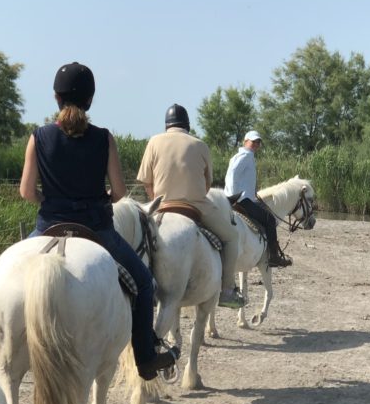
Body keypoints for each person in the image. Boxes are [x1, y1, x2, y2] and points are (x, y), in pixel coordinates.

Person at [19, 61, 178, 380]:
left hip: (47, 226)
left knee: (4, 270)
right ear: (91, 100)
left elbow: (26, 191)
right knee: (144, 283)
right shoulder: (104, 139)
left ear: (56, 97)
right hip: (97, 230)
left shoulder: (38, 138)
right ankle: (145, 358)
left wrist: (48, 199)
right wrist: (102, 196)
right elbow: (119, 193)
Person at [136, 104, 244, 308]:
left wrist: (157, 200)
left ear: (167, 125)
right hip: (196, 206)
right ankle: (228, 291)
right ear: (187, 125)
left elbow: (147, 182)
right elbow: (207, 184)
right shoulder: (200, 144)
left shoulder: (154, 141)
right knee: (232, 237)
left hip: (161, 205)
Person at [224, 130, 292, 267]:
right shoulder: (246, 156)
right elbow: (232, 176)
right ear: (245, 141)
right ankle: (273, 256)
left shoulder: (241, 156)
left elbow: (241, 179)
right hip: (242, 200)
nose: (256, 144)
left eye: (258, 142)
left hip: (243, 197)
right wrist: (233, 197)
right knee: (270, 219)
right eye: (253, 141)